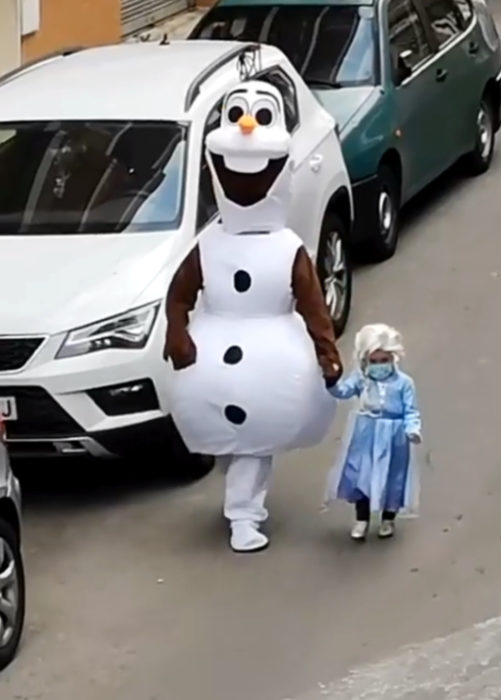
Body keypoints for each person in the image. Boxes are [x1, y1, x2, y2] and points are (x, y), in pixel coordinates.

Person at [164, 80, 342, 553]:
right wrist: (176, 333)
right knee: (241, 445)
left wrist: (327, 355)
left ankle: (243, 512)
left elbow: (313, 306)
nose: (247, 124)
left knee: (252, 446)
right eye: (240, 115)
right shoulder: (210, 244)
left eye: (260, 116)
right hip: (214, 362)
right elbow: (179, 295)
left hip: (272, 366)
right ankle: (240, 500)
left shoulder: (287, 250)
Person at [323, 324, 422, 540]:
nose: (379, 366)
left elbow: (411, 411)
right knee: (362, 474)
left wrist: (412, 429)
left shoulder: (404, 384)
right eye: (374, 361)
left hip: (394, 436)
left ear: (393, 358)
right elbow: (343, 391)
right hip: (366, 433)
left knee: (392, 476)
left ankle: (388, 518)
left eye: (384, 360)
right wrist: (331, 380)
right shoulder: (362, 379)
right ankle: (362, 519)